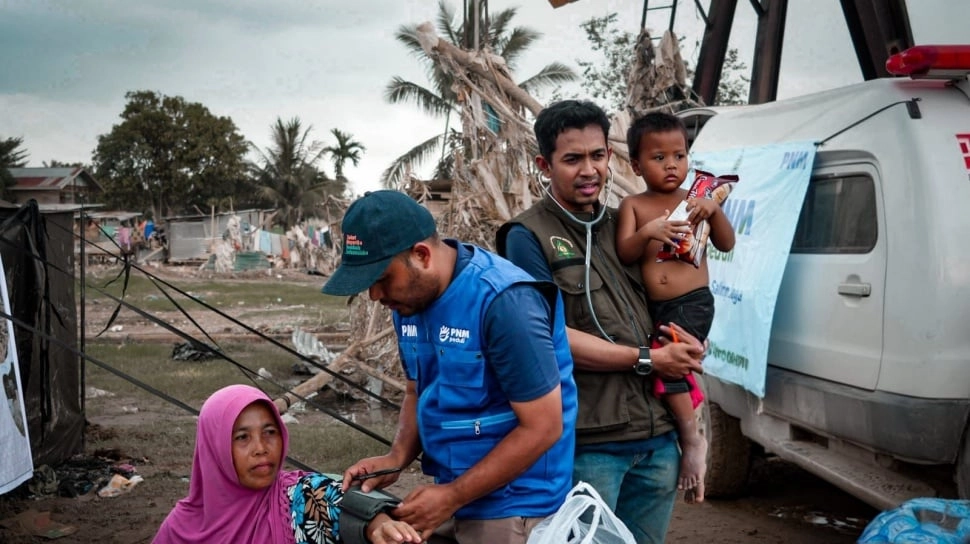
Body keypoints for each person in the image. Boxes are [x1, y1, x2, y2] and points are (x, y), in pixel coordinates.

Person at [496, 100, 705, 544]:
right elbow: (547, 340)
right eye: (572, 159)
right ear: (544, 164)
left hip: (658, 439)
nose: (589, 169)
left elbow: (673, 294)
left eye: (597, 155)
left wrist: (687, 342)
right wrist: (650, 359)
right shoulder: (526, 236)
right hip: (591, 447)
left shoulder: (628, 224)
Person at [321, 190, 578, 544]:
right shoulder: (409, 302)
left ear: (422, 255)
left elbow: (544, 426)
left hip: (514, 505)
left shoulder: (505, 302)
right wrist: (397, 456)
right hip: (456, 492)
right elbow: (416, 389)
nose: (375, 296)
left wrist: (453, 496)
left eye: (381, 279)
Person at [615, 111, 736, 504]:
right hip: (653, 307)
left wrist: (714, 211)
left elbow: (727, 245)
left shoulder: (696, 202)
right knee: (663, 367)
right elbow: (624, 252)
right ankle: (685, 424)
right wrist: (648, 232)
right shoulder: (633, 206)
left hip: (692, 303)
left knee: (669, 365)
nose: (671, 165)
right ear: (636, 164)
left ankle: (692, 436)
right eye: (658, 157)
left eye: (679, 156)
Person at [153, 384, 422, 544]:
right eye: (242, 437)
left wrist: (380, 526)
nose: (261, 448)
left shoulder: (299, 497)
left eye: (270, 432)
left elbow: (341, 500)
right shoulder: (178, 529)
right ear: (214, 448)